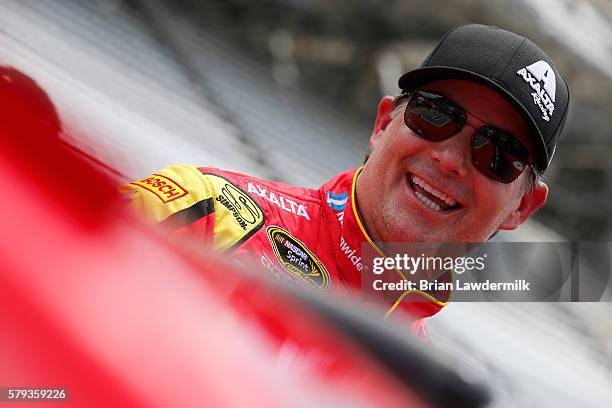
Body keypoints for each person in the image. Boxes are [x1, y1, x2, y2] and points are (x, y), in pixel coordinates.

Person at [120, 24, 569, 337]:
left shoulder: (416, 386)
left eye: (500, 154)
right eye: (436, 114)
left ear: (522, 208)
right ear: (382, 123)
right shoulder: (203, 213)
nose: (451, 159)